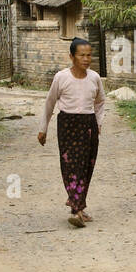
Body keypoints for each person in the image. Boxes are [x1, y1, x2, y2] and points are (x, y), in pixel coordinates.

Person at [38, 38, 105, 228]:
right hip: (68, 125)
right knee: (71, 167)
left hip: (88, 125)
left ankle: (78, 206)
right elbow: (50, 103)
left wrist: (98, 123)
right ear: (72, 57)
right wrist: (43, 129)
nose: (86, 59)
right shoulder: (61, 77)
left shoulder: (94, 78)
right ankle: (76, 209)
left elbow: (100, 102)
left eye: (89, 55)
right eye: (81, 55)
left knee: (86, 166)